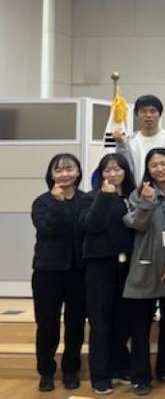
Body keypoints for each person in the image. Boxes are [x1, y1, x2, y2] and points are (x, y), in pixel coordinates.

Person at [122, 148, 165, 395]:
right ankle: (140, 376)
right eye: (154, 165)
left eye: (164, 163)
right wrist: (147, 202)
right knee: (140, 325)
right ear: (148, 170)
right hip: (146, 264)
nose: (160, 169)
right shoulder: (140, 193)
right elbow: (136, 223)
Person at [79, 153, 136, 395]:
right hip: (100, 267)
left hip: (127, 266)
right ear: (100, 174)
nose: (113, 174)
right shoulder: (91, 197)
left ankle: (119, 367)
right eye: (107, 170)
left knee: (123, 321)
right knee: (100, 322)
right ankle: (100, 376)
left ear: (125, 171)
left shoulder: (133, 197)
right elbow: (90, 225)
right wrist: (104, 196)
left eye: (117, 169)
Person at [31, 153, 87, 392]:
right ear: (51, 174)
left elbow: (85, 228)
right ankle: (46, 371)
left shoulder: (86, 200)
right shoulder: (42, 201)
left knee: (75, 324)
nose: (64, 174)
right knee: (47, 325)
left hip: (78, 273)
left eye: (69, 168)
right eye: (59, 169)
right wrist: (58, 203)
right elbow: (46, 228)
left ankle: (71, 370)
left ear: (78, 172)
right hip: (47, 272)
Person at [114, 94, 165, 183]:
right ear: (137, 115)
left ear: (159, 115)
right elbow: (124, 170)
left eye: (152, 111)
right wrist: (120, 144)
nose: (148, 115)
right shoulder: (129, 142)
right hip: (137, 191)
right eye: (143, 111)